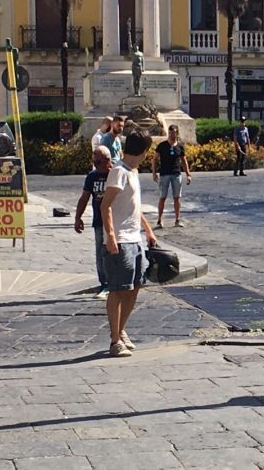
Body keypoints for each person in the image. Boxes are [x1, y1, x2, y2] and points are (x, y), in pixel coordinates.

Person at [99, 130, 156, 358]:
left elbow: (134, 206)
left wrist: (148, 230)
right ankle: (115, 340)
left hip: (135, 239)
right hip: (121, 239)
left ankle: (122, 331)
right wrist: (111, 236)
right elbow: (106, 206)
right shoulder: (119, 172)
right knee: (117, 289)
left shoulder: (132, 171)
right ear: (143, 150)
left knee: (134, 287)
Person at [74, 146, 112, 299]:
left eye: (98, 161)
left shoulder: (116, 174)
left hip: (116, 220)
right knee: (101, 254)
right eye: (94, 161)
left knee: (116, 252)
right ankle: (105, 284)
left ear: (108, 160)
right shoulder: (92, 176)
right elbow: (84, 198)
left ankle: (118, 282)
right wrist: (78, 217)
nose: (95, 165)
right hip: (99, 220)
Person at [152, 125, 192, 229]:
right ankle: (159, 220)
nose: (172, 135)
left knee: (177, 197)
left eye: (174, 133)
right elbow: (155, 159)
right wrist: (154, 172)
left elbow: (184, 160)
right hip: (164, 174)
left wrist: (188, 174)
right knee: (162, 197)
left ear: (177, 133)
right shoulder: (162, 145)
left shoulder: (180, 146)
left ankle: (177, 220)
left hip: (176, 173)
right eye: (170, 133)